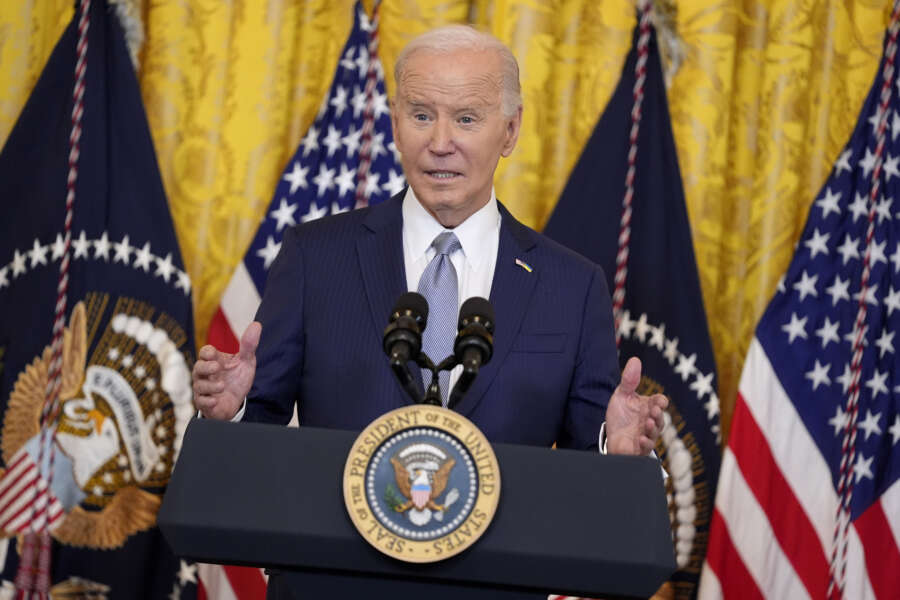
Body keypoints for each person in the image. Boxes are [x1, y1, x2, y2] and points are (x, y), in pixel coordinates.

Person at [192, 25, 666, 456]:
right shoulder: (314, 258)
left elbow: (589, 460)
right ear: (395, 124)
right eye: (421, 116)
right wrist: (229, 413)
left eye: (465, 119)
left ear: (511, 129)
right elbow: (257, 440)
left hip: (499, 550)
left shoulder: (573, 287)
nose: (440, 142)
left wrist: (616, 449)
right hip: (335, 549)